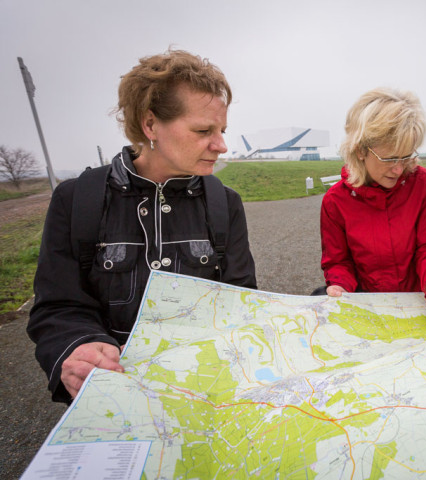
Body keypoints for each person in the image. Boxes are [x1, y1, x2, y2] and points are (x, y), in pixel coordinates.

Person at [27, 50, 257, 403]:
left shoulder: (225, 203)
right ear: (150, 125)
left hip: (203, 389)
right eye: (203, 130)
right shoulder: (77, 200)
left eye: (222, 130)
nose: (221, 145)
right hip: (112, 397)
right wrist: (80, 346)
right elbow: (58, 305)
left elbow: (240, 299)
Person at [319, 87, 426, 334]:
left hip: (420, 307)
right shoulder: (335, 201)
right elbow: (339, 262)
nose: (398, 169)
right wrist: (339, 287)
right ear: (361, 150)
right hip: (369, 312)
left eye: (406, 157)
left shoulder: (423, 184)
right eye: (389, 159)